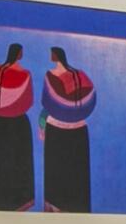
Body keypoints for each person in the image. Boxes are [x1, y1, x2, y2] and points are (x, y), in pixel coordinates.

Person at [0, 43, 35, 210]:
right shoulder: (25, 75)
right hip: (17, 125)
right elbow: (28, 101)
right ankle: (17, 203)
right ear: (20, 54)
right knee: (17, 163)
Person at [40, 45, 97, 212]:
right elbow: (91, 98)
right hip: (79, 130)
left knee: (56, 176)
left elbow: (47, 104)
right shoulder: (81, 74)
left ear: (55, 56)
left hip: (56, 130)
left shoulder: (50, 76)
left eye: (51, 53)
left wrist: (42, 124)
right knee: (76, 175)